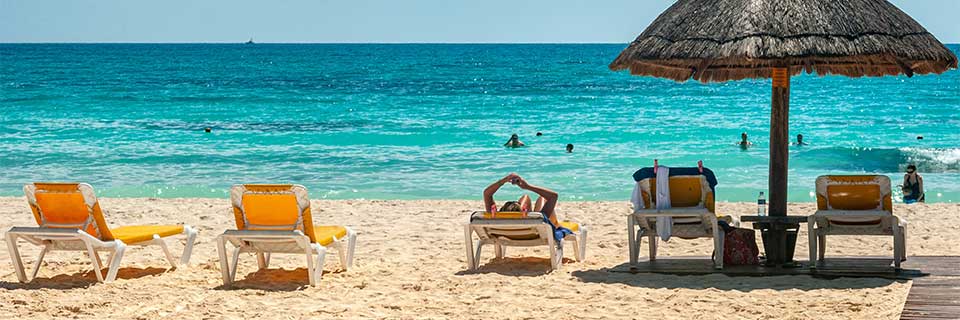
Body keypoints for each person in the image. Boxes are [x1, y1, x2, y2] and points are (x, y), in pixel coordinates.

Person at [483, 173, 563, 227]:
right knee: (542, 198)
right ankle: (556, 223)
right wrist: (528, 187)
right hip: (533, 234)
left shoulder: (496, 219)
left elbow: (487, 194)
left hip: (504, 233)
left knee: (525, 197)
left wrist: (503, 180)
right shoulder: (539, 221)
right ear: (523, 211)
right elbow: (553, 196)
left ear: (502, 210)